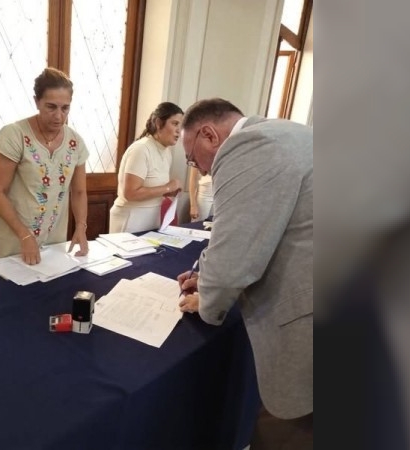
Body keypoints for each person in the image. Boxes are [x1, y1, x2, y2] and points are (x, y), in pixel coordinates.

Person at [176, 98, 313, 449]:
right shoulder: (288, 131)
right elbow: (268, 231)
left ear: (209, 135)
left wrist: (207, 299)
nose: (200, 171)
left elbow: (234, 260)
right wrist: (205, 275)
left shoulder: (248, 146)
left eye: (192, 159)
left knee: (286, 433)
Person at [0, 67, 89, 264]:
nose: (58, 116)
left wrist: (81, 227)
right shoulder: (14, 135)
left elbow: (79, 192)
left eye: (65, 108)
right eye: (51, 107)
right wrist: (24, 235)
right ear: (37, 102)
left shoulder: (75, 142)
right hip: (13, 239)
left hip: (54, 241)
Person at [109, 102, 183, 233]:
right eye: (175, 123)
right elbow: (130, 193)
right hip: (131, 219)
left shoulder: (166, 152)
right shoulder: (141, 149)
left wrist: (169, 192)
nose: (179, 130)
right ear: (159, 123)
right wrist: (168, 187)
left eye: (181, 125)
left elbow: (153, 188)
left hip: (152, 219)